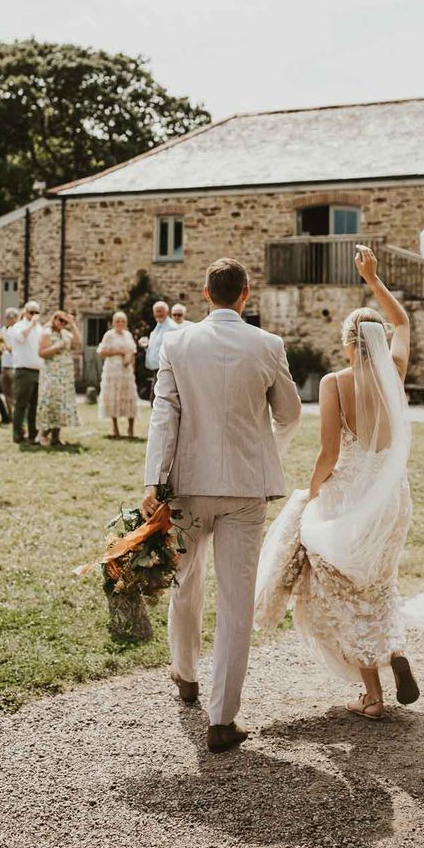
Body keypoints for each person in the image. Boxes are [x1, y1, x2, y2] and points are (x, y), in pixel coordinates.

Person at [142, 257, 302, 753]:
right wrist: (266, 451)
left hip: (187, 484)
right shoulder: (268, 345)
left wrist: (153, 479)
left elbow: (164, 415)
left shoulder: (178, 341)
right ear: (245, 295)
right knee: (236, 601)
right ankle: (221, 718)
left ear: (206, 293)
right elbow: (290, 412)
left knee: (185, 582)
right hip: (244, 489)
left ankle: (186, 674)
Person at [255, 245, 419, 721]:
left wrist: (311, 492)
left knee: (344, 592)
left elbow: (329, 452)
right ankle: (394, 651)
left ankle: (372, 694)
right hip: (390, 500)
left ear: (348, 343)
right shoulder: (396, 373)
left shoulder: (334, 383)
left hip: (349, 496)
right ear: (378, 340)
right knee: (379, 583)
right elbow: (404, 323)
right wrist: (373, 280)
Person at [36, 311, 81, 446]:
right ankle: (42, 434)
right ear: (54, 319)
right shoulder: (47, 333)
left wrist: (73, 324)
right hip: (52, 373)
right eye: (60, 320)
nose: (62, 323)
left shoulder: (65, 334)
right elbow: (42, 352)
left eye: (65, 322)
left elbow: (77, 343)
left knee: (61, 404)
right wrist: (58, 346)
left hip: (65, 374)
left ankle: (56, 436)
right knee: (50, 402)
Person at [5, 301, 43, 443]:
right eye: (31, 312)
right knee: (21, 404)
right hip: (23, 370)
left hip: (38, 370)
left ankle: (33, 433)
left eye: (36, 312)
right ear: (25, 312)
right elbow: (20, 338)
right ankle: (18, 434)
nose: (34, 315)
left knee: (35, 405)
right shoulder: (18, 326)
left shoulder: (39, 328)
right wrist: (31, 324)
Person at [97, 311, 139, 438]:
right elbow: (101, 352)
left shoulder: (128, 335)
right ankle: (115, 428)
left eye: (123, 321)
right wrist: (119, 351)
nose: (120, 324)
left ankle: (130, 429)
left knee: (130, 397)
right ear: (113, 323)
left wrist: (132, 364)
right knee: (113, 397)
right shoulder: (109, 335)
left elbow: (132, 352)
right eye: (117, 321)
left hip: (126, 371)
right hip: (112, 370)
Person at [145, 301, 178, 403]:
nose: (158, 314)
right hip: (156, 370)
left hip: (165, 369)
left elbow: (174, 349)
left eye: (161, 311)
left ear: (167, 312)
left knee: (159, 400)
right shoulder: (157, 328)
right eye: (156, 311)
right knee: (154, 399)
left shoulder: (171, 327)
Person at [0, 308, 19, 417]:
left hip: (14, 364)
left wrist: (10, 348)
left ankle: (16, 413)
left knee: (15, 391)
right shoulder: (2, 330)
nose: (9, 319)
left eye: (11, 317)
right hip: (4, 364)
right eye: (7, 317)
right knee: (6, 390)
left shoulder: (18, 330)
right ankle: (10, 413)